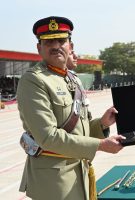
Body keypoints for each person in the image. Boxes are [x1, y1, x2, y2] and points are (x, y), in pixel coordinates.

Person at [17, 16, 125, 200]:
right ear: (39, 48)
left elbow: (76, 130)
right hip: (53, 184)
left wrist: (102, 125)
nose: (56, 45)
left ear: (70, 46)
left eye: (61, 40)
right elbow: (48, 137)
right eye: (49, 41)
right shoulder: (34, 80)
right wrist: (100, 145)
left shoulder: (72, 79)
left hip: (79, 173)